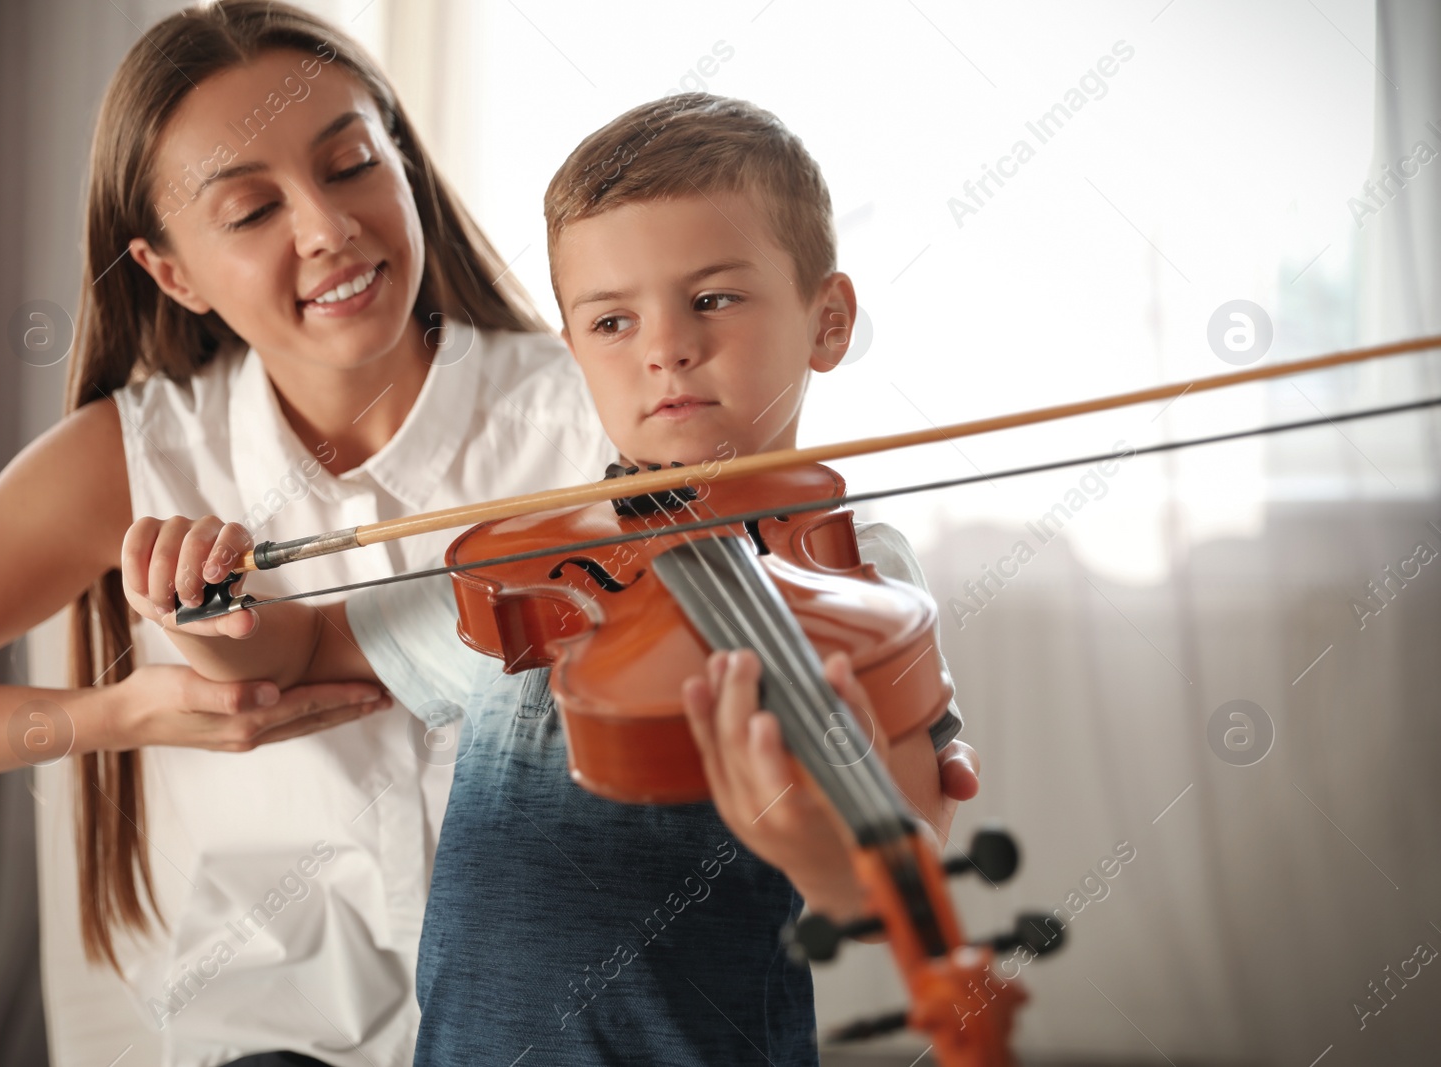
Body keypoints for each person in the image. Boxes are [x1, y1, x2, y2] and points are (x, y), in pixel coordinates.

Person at [0, 3, 644, 1065]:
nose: (327, 227)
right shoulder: (125, 458)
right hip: (275, 1036)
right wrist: (112, 715)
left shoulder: (599, 409)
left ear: (402, 160)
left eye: (351, 161)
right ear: (171, 271)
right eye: (251, 208)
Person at [124, 93, 979, 1066]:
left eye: (712, 299)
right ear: (573, 350)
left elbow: (894, 857)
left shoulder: (854, 577)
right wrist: (196, 605)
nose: (664, 347)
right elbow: (310, 646)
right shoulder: (532, 567)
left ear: (827, 322)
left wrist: (807, 843)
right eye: (612, 320)